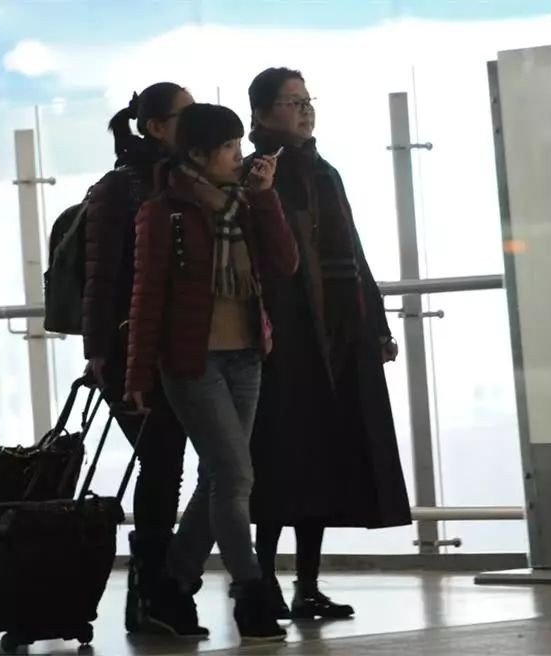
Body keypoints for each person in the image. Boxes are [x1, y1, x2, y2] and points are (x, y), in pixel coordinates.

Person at [124, 103, 299, 640]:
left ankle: (172, 587)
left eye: (239, 145)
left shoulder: (245, 203)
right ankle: (251, 590)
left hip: (246, 354)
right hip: (191, 362)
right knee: (236, 475)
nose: (239, 156)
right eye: (228, 148)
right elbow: (147, 296)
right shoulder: (163, 213)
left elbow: (284, 263)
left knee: (220, 477)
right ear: (198, 154)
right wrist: (136, 374)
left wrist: (266, 197)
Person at [246, 67, 412, 620]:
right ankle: (261, 579)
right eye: (292, 102)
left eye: (307, 100)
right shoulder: (255, 174)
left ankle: (307, 584)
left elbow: (353, 253)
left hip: (335, 335)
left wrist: (376, 325)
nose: (305, 110)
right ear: (262, 113)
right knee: (279, 459)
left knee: (321, 455)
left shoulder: (323, 171)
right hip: (282, 341)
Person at [81, 82, 203, 634]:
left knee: (172, 464)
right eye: (185, 115)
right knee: (163, 460)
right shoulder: (122, 187)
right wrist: (99, 352)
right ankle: (153, 591)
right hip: (130, 350)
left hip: (174, 347)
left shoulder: (187, 179)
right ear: (155, 127)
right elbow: (101, 276)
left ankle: (155, 591)